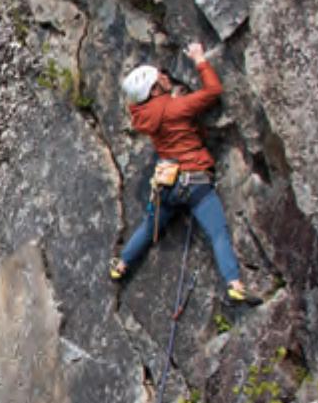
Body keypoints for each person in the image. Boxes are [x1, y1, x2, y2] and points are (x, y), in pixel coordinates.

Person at [110, 42, 260, 302]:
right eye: (161, 78)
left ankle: (121, 265)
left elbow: (138, 104)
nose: (166, 78)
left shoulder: (142, 116)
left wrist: (164, 97)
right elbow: (213, 90)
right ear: (154, 89)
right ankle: (234, 283)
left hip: (167, 185)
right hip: (196, 183)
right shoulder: (177, 108)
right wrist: (200, 59)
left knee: (149, 227)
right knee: (218, 233)